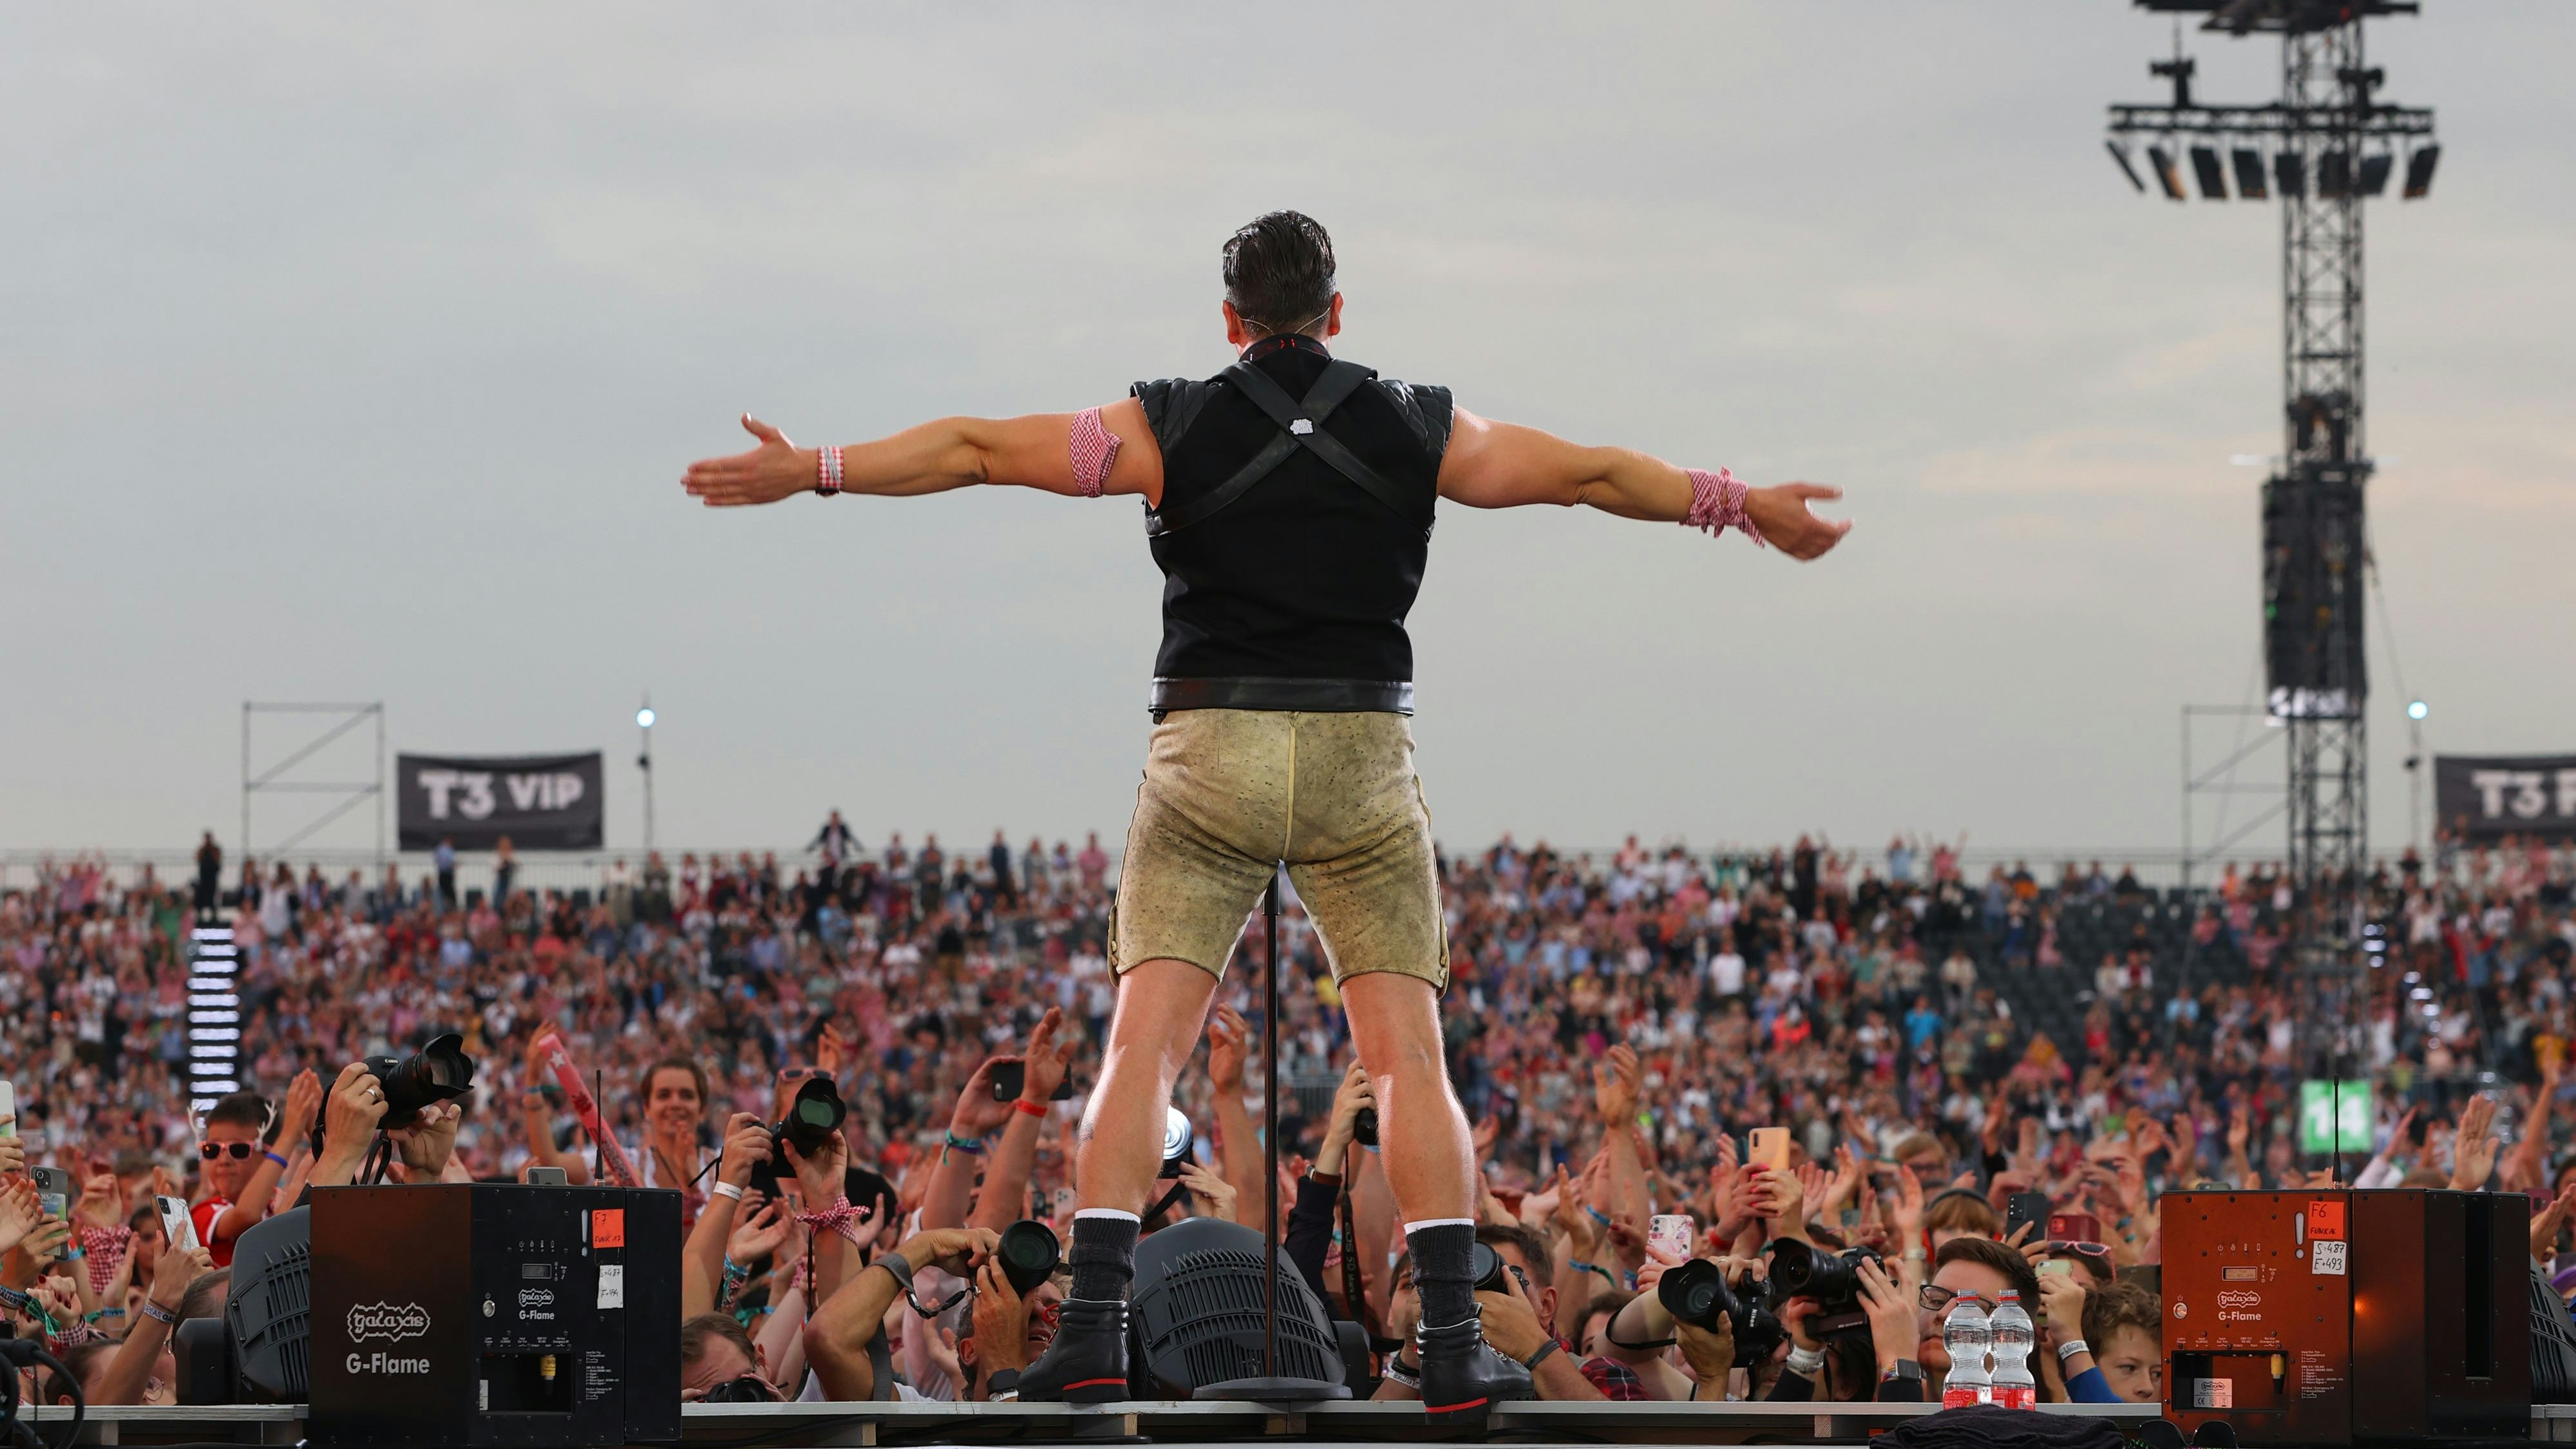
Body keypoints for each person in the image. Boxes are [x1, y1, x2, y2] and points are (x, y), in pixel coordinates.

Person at [682, 210, 1849, 1417]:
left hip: (1211, 746)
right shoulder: (1421, 426)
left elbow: (977, 449)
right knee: (1407, 1057)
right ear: (1337, 312)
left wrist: (814, 467)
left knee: (1144, 1049)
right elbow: (1592, 476)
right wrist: (1740, 502)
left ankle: (1091, 1333)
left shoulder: (1163, 426)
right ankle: (1454, 1343)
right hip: (1361, 752)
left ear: (1231, 320)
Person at [191, 1075, 321, 1269]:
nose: (223, 1160)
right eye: (213, 1149)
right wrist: (289, 1136)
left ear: (269, 1153)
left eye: (239, 1149)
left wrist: (314, 1124)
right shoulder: (204, 1212)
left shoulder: (281, 1202)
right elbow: (245, 1214)